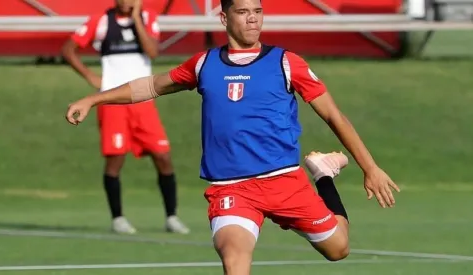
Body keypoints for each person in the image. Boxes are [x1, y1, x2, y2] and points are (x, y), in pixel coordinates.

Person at [65, 0, 400, 273]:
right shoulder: (204, 64)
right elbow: (150, 86)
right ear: (224, 17)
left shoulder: (286, 63)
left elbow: (333, 115)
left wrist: (370, 168)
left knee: (338, 250)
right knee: (234, 261)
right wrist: (94, 99)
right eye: (243, 12)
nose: (253, 19)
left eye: (257, 11)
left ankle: (324, 174)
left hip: (284, 182)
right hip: (233, 189)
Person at [61, 0, 189, 235]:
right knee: (116, 158)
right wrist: (90, 76)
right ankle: (117, 218)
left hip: (143, 100)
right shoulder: (100, 20)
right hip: (112, 101)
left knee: (163, 155)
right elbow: (68, 49)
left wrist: (137, 19)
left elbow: (152, 51)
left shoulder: (147, 18)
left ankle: (171, 216)